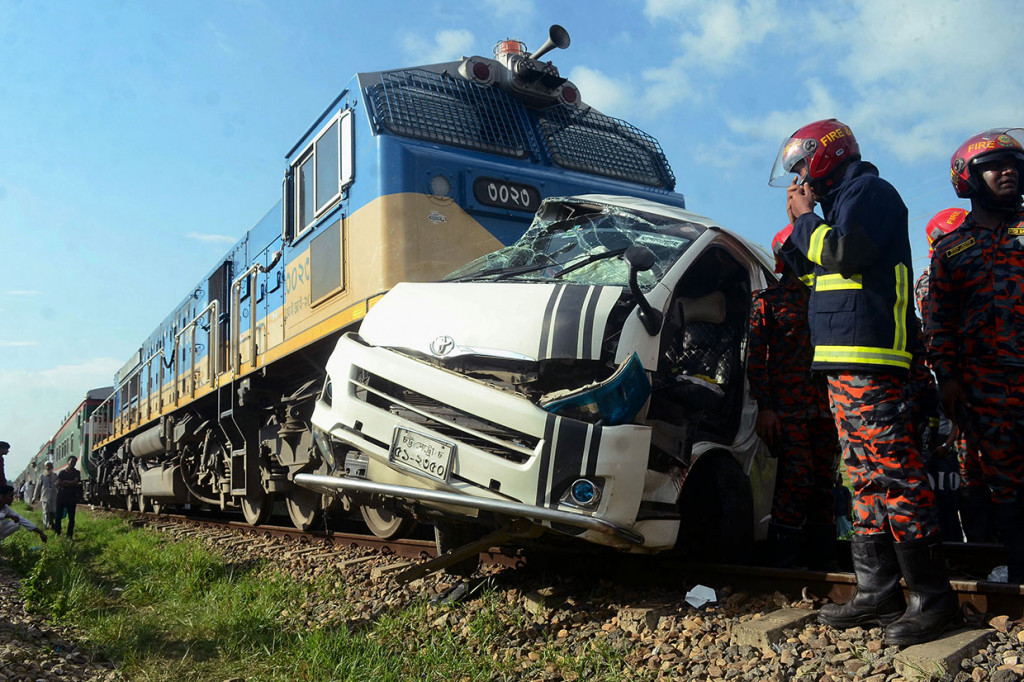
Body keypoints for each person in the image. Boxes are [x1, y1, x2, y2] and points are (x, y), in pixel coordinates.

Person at [769, 118, 960, 645]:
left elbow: (844, 253)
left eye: (802, 166)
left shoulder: (870, 192)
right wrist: (797, 239)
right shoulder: (838, 207)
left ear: (827, 156)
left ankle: (933, 599)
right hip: (843, 364)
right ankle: (878, 592)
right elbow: (826, 277)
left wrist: (805, 219)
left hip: (872, 361)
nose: (800, 179)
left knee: (896, 475)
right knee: (863, 477)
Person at [927, 127, 1024, 583]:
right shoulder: (951, 249)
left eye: (1013, 165)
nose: (1008, 172)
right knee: (1003, 484)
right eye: (994, 166)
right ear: (967, 179)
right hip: (985, 387)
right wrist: (947, 377)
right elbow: (939, 321)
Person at [748, 224, 840, 568]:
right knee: (796, 480)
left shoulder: (829, 297)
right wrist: (765, 408)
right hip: (787, 410)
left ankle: (824, 566)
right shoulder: (767, 303)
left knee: (824, 483)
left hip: (825, 408)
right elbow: (756, 361)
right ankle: (783, 564)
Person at [54, 456, 83, 540]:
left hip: (71, 498)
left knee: (71, 518)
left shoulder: (77, 473)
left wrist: (64, 482)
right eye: (72, 461)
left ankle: (69, 535)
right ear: (68, 462)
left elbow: (75, 482)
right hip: (61, 497)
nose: (73, 463)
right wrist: (70, 483)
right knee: (58, 516)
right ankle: (57, 533)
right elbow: (58, 483)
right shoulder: (61, 472)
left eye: (74, 462)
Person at [34, 461, 58, 531]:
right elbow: (37, 487)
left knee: (53, 512)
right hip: (44, 497)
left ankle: (52, 524)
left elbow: (58, 486)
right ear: (45, 467)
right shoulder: (42, 476)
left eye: (50, 465)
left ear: (52, 467)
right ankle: (46, 526)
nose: (48, 467)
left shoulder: (55, 475)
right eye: (47, 466)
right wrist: (34, 497)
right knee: (46, 512)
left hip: (53, 497)